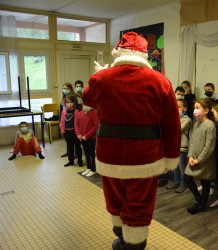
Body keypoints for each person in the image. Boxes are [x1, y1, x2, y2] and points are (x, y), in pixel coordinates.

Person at [83, 32, 181, 250]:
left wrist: (102, 73)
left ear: (119, 53)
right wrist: (171, 157)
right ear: (144, 55)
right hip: (145, 157)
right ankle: (134, 244)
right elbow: (172, 125)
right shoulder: (160, 81)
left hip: (109, 155)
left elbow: (87, 98)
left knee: (114, 199)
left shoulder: (101, 79)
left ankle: (120, 236)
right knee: (139, 203)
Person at [184, 98, 216, 215]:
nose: (195, 110)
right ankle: (199, 199)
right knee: (187, 178)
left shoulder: (210, 125)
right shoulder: (196, 123)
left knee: (205, 182)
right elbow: (192, 141)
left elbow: (209, 146)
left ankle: (202, 204)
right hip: (194, 158)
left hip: (205, 161)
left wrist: (199, 159)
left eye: (198, 108)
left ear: (206, 110)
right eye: (194, 108)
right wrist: (190, 156)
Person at [167, 99, 192, 193]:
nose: (176, 108)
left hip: (182, 146)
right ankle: (176, 182)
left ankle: (183, 184)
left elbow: (177, 130)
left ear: (185, 108)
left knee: (182, 166)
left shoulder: (187, 119)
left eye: (179, 106)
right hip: (174, 146)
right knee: (175, 166)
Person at [75, 104, 99, 177]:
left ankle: (93, 169)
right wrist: (78, 134)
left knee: (92, 154)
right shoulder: (81, 113)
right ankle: (88, 167)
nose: (84, 106)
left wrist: (87, 135)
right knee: (86, 153)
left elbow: (96, 126)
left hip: (91, 138)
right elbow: (76, 124)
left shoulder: (94, 113)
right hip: (82, 137)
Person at [59, 95, 83, 167]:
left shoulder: (76, 111)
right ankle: (71, 161)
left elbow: (78, 123)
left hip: (75, 132)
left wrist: (78, 133)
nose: (68, 104)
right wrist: (63, 132)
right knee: (69, 147)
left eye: (70, 102)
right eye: (67, 102)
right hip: (67, 132)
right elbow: (62, 122)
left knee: (78, 147)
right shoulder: (64, 111)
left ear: (74, 103)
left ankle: (80, 161)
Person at [60, 82, 78, 157]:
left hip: (73, 120)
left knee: (75, 140)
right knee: (68, 140)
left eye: (67, 88)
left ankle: (77, 154)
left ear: (70, 89)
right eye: (64, 88)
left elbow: (77, 109)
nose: (65, 90)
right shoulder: (63, 98)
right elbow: (62, 111)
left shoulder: (74, 97)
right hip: (65, 120)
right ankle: (69, 152)